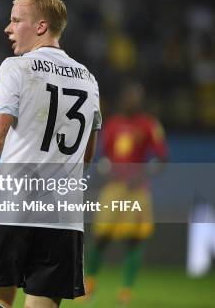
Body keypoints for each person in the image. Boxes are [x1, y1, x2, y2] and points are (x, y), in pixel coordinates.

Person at [0, 0, 101, 308]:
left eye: (16, 20)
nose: (8, 28)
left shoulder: (17, 68)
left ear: (41, 26)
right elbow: (87, 154)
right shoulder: (89, 80)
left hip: (15, 207)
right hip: (64, 217)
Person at [84, 82, 167, 306]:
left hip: (137, 190)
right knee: (101, 237)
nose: (132, 101)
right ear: (123, 99)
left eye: (136, 97)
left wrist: (142, 174)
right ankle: (89, 283)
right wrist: (105, 169)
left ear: (141, 101)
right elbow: (102, 156)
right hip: (113, 189)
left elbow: (161, 159)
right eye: (129, 96)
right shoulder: (112, 125)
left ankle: (126, 291)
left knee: (134, 241)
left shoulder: (149, 125)